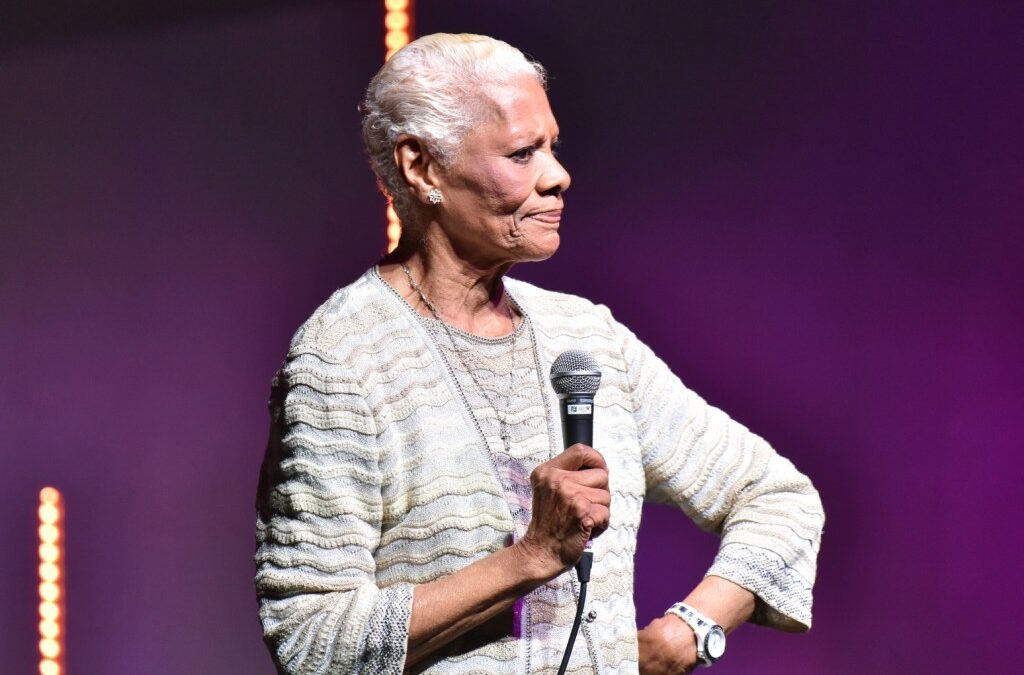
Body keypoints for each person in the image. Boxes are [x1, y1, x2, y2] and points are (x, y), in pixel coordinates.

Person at [255, 33, 824, 674]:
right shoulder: (343, 360)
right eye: (523, 153)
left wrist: (689, 632)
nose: (558, 177)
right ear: (422, 168)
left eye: (552, 147)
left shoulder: (585, 338)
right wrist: (529, 558)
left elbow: (777, 497)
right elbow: (311, 641)